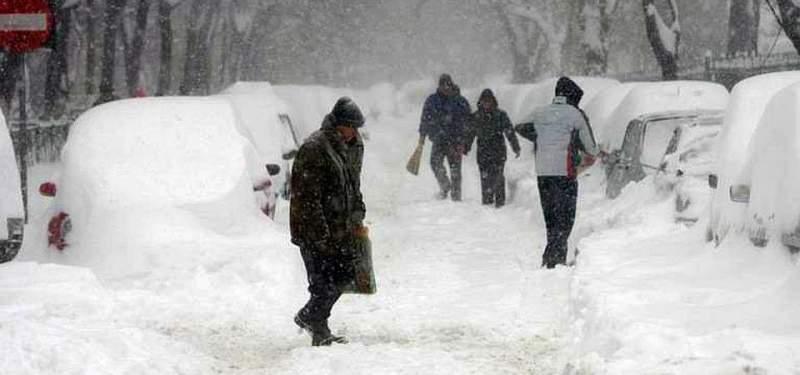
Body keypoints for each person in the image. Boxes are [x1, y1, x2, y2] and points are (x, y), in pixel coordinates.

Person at [290, 97, 368, 346]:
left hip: (340, 227)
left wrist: (357, 211)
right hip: (314, 229)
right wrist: (320, 235)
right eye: (351, 127)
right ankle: (318, 327)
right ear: (338, 124)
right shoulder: (315, 148)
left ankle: (309, 317)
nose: (355, 133)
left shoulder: (349, 146)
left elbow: (351, 184)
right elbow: (307, 198)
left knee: (344, 275)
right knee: (322, 282)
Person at [516, 77, 599, 268]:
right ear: (573, 97)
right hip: (565, 172)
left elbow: (520, 126)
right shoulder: (576, 114)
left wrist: (540, 137)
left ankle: (551, 257)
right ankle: (555, 260)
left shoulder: (540, 112)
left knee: (551, 216)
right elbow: (592, 148)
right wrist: (576, 143)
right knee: (566, 217)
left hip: (543, 172)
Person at [418, 74, 472, 201]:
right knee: (435, 163)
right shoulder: (432, 100)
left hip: (456, 141)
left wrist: (465, 141)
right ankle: (445, 185)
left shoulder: (460, 102)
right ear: (439, 86)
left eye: (448, 85)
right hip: (439, 140)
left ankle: (456, 197)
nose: (445, 88)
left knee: (456, 170)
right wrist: (422, 135)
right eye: (443, 85)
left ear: (451, 85)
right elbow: (425, 119)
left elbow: (469, 123)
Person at [464, 89, 521, 207]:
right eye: (484, 101)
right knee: (485, 177)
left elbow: (509, 132)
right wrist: (466, 147)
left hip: (498, 151)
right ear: (481, 102)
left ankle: (500, 202)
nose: (486, 104)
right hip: (483, 152)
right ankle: (487, 201)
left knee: (499, 176)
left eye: (489, 101)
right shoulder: (476, 117)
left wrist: (515, 147)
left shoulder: (501, 115)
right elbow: (470, 134)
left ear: (493, 101)